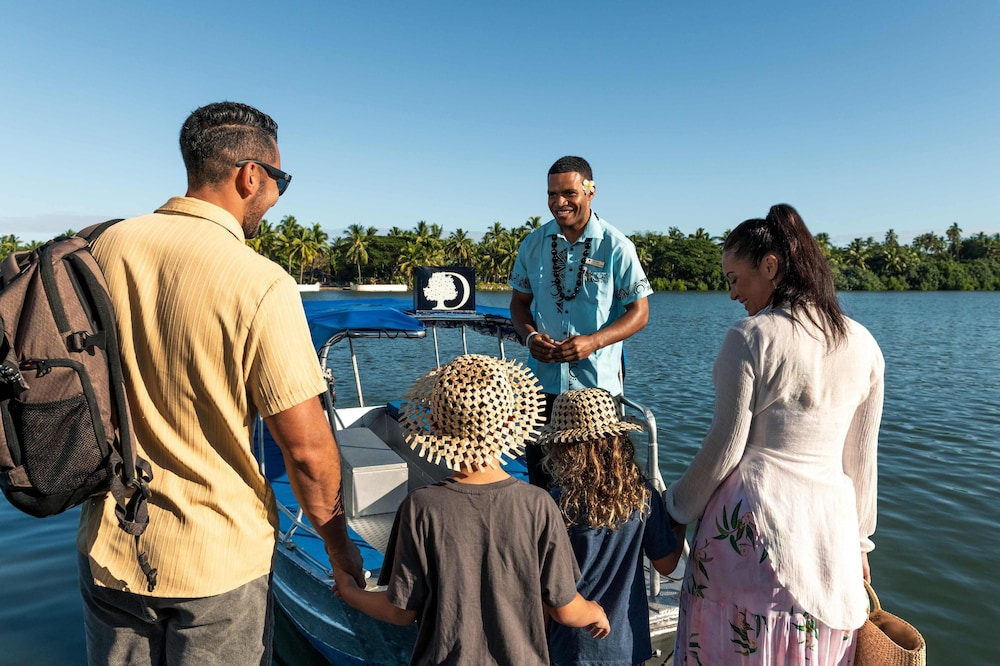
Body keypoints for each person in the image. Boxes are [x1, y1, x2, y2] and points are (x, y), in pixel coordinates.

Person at [77, 101, 364, 665]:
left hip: (108, 549)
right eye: (280, 180)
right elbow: (305, 449)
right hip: (217, 563)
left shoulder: (101, 249)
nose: (277, 197)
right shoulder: (259, 282)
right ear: (250, 175)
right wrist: (338, 546)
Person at [665, 204, 884, 664]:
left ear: (770, 266)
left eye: (733, 278)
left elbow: (724, 450)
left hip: (753, 535)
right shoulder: (863, 343)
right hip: (833, 537)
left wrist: (675, 506)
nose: (731, 294)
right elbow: (861, 462)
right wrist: (860, 544)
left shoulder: (750, 337)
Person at [333, 354, 611, 665]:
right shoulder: (539, 505)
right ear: (510, 421)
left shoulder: (420, 507)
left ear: (436, 425)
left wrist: (349, 591)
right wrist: (594, 612)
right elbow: (565, 608)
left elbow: (401, 612)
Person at [510, 155, 652, 488]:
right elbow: (518, 305)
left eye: (569, 193)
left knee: (599, 487)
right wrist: (531, 338)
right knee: (543, 486)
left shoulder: (616, 246)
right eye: (551, 194)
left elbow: (640, 313)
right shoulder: (532, 245)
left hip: (598, 395)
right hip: (541, 392)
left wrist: (593, 341)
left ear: (590, 191)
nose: (559, 203)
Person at [540, 388, 684, 666]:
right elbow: (666, 565)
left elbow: (547, 589)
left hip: (570, 647)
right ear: (620, 442)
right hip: (626, 644)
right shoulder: (643, 497)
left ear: (559, 449)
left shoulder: (553, 504)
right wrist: (680, 523)